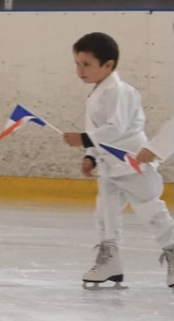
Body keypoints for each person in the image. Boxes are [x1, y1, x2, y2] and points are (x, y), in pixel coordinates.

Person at [61, 33, 174, 289]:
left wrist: (83, 139)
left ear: (108, 65)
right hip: (109, 167)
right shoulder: (98, 92)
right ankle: (110, 260)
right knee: (105, 213)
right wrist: (90, 156)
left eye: (86, 64)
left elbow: (116, 128)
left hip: (133, 163)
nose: (80, 70)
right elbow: (98, 130)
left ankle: (172, 250)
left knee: (150, 210)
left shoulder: (120, 91)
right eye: (77, 63)